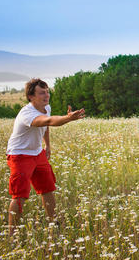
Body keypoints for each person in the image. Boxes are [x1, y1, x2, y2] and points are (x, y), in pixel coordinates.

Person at [6, 78, 85, 235]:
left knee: (48, 188)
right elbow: (48, 121)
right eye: (42, 93)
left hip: (37, 153)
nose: (46, 95)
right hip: (20, 155)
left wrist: (47, 145)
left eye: (47, 92)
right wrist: (68, 118)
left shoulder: (45, 107)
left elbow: (46, 126)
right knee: (19, 195)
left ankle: (53, 224)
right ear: (31, 97)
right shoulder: (27, 114)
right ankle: (12, 236)